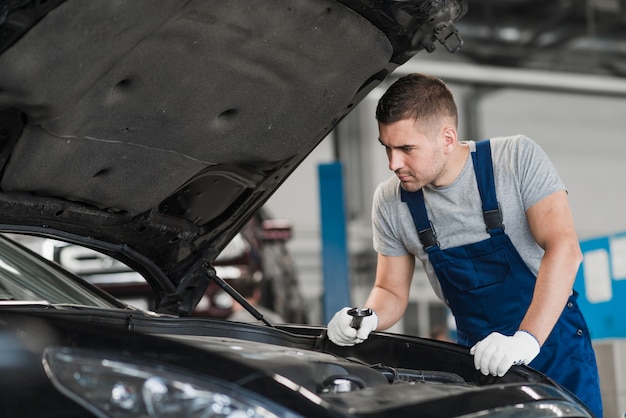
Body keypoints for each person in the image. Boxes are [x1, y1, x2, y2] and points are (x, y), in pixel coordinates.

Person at [327, 73, 602, 416]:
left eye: (406, 149)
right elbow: (391, 290)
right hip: (479, 362)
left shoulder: (515, 160)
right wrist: (366, 317)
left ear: (447, 137)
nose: (393, 163)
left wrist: (525, 340)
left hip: (554, 349)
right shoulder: (390, 202)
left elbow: (564, 248)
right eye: (387, 147)